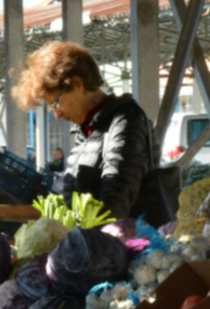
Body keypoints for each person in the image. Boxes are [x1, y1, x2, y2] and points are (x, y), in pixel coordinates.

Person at [14, 41, 172, 227]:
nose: (57, 114)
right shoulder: (87, 130)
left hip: (125, 249)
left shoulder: (125, 122)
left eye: (56, 103)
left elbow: (115, 202)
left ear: (77, 84)